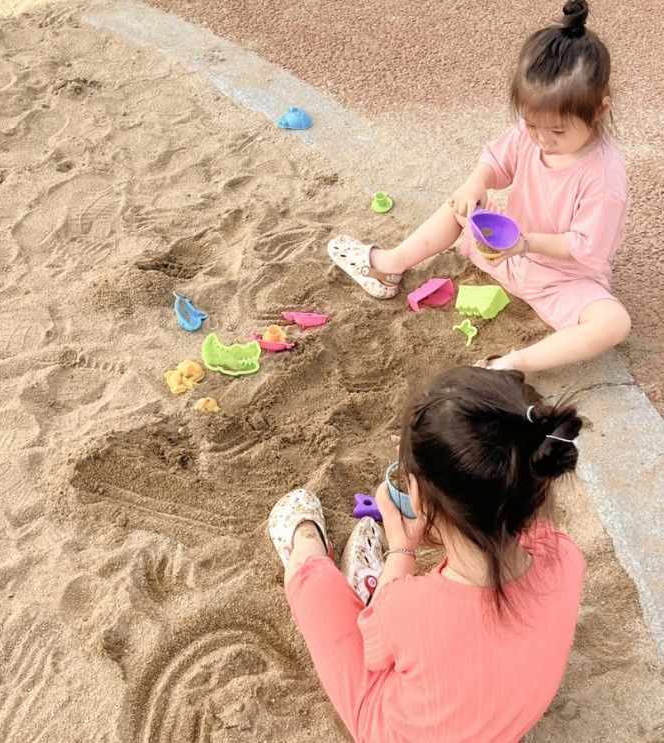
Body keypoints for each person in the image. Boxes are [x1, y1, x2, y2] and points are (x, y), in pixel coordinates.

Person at [268, 366, 585, 742]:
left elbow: (375, 657)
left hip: (401, 723)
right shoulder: (566, 555)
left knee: (315, 590)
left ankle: (308, 549)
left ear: (416, 497)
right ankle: (372, 580)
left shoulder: (410, 607)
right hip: (504, 720)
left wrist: (402, 549)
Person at [327, 0, 630, 373]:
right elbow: (496, 163)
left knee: (613, 323)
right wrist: (476, 184)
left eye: (557, 131)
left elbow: (586, 246)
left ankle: (513, 364)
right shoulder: (531, 133)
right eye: (531, 125)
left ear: (599, 110)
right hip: (502, 253)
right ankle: (389, 265)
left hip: (562, 280)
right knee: (460, 204)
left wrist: (525, 243)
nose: (541, 139)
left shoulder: (604, 175)